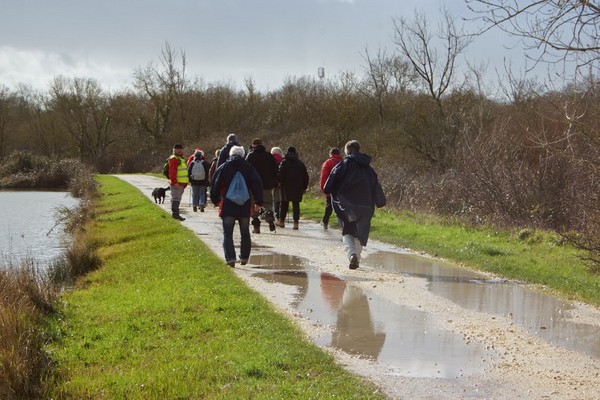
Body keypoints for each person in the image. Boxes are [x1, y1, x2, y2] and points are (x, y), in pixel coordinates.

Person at [323, 140, 386, 269]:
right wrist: (380, 201)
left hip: (347, 206)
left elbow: (328, 186)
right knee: (360, 233)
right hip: (366, 206)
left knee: (348, 230)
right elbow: (376, 186)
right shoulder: (369, 168)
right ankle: (356, 256)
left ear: (347, 150)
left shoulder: (342, 165)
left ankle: (352, 255)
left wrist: (333, 192)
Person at [210, 145, 263, 267]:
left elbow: (215, 183)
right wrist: (258, 202)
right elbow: (257, 183)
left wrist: (215, 200)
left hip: (228, 204)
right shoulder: (249, 168)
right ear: (242, 154)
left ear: (230, 154)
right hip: (244, 205)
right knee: (245, 232)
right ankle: (244, 257)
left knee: (227, 233)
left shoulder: (224, 166)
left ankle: (230, 259)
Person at [246, 138, 278, 233]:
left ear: (253, 145)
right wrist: (274, 182)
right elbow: (275, 170)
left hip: (254, 186)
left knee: (254, 206)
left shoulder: (250, 156)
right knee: (267, 203)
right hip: (267, 185)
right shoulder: (269, 156)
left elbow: (246, 170)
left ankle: (256, 227)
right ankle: (269, 215)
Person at [277, 146, 309, 230]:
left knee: (284, 204)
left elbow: (280, 174)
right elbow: (306, 176)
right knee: (296, 204)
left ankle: (281, 221)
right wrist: (304, 187)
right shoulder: (300, 163)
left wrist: (279, 182)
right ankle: (295, 223)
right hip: (297, 187)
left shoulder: (283, 162)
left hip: (285, 186)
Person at [319, 147, 343, 229]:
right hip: (342, 189)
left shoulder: (328, 163)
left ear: (331, 154)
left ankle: (325, 221)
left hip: (330, 188)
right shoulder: (344, 162)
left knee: (329, 206)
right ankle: (342, 224)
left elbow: (324, 176)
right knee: (341, 207)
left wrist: (323, 188)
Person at [167, 143, 189, 221]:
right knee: (176, 198)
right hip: (177, 183)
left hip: (181, 183)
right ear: (174, 150)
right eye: (177, 149)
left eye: (180, 149)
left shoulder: (181, 158)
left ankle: (175, 213)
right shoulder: (174, 158)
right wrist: (174, 182)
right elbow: (172, 171)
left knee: (177, 198)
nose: (179, 150)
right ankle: (175, 214)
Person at [270, 146, 284, 222]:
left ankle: (274, 213)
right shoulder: (283, 160)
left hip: (272, 182)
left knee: (272, 198)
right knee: (279, 199)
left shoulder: (270, 160)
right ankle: (279, 214)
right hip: (280, 182)